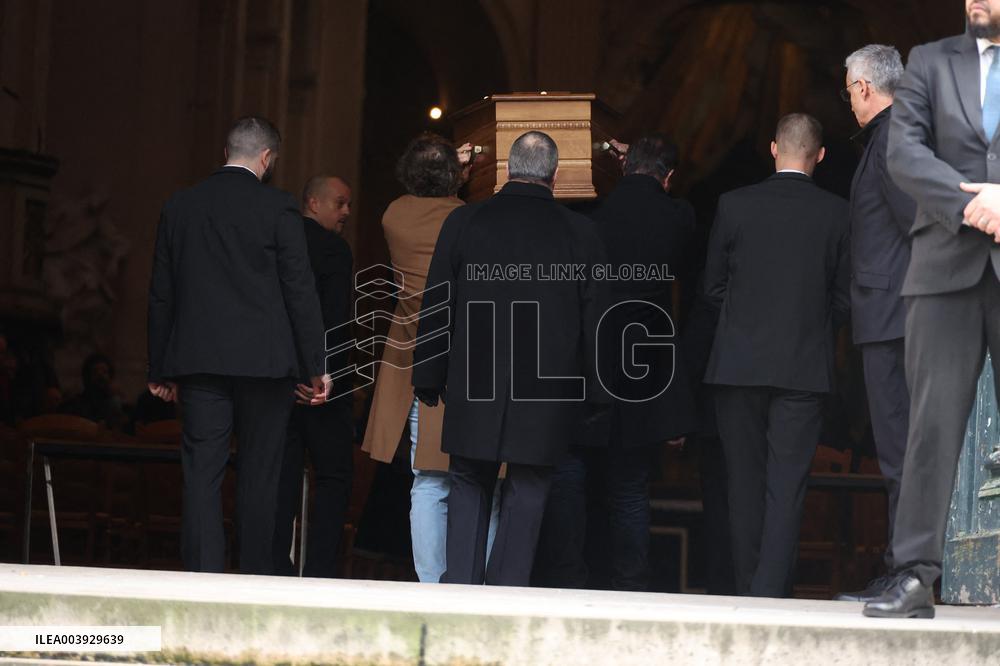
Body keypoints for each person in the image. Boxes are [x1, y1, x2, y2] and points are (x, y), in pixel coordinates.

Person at [412, 131, 610, 586]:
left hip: (473, 375)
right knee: (530, 485)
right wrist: (600, 394)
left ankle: (460, 590)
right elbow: (596, 320)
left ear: (505, 169)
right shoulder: (582, 233)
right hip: (546, 383)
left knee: (466, 479)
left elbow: (438, 301)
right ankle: (506, 595)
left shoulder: (465, 222)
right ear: (555, 176)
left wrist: (428, 373)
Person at [864, 0, 1000, 619]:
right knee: (930, 429)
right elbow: (904, 150)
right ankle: (915, 577)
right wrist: (970, 203)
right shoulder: (928, 62)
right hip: (944, 266)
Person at [147, 116, 327, 574]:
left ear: (226, 152)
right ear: (266, 158)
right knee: (260, 475)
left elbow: (162, 290)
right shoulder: (280, 208)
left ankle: (203, 581)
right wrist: (314, 366)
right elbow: (299, 289)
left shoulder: (181, 205)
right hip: (266, 365)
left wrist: (159, 368)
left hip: (200, 362)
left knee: (201, 475)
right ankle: (253, 581)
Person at [533, 133, 698, 591]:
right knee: (629, 485)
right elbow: (669, 208)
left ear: (624, 169)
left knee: (570, 474)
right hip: (641, 367)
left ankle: (567, 575)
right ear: (668, 177)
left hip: (585, 362)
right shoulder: (678, 216)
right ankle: (631, 582)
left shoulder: (586, 214)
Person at [704, 114, 850, 598]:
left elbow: (711, 289)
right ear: (820, 156)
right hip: (803, 368)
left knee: (743, 484)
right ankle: (769, 593)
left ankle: (749, 590)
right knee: (786, 488)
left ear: (773, 149)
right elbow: (845, 300)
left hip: (738, 365)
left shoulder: (734, 205)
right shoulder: (838, 213)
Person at [362, 135, 499, 583]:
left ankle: (431, 582)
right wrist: (464, 173)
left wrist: (449, 166)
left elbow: (425, 192)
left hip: (418, 361)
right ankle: (482, 580)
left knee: (427, 479)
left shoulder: (393, 216)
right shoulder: (469, 218)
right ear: (454, 178)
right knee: (486, 478)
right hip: (469, 359)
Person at [834, 45, 916, 602]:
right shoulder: (895, 135)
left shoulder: (892, 137)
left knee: (899, 451)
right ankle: (901, 566)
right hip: (891, 313)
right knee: (899, 449)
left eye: (848, 89)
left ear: (864, 87)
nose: (848, 99)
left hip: (894, 315)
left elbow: (917, 224)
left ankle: (906, 572)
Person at [273, 175, 355, 578]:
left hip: (280, 383)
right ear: (313, 202)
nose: (346, 213)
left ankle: (275, 567)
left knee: (282, 475)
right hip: (324, 385)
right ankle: (321, 571)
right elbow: (337, 319)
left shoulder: (277, 245)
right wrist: (326, 375)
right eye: (339, 203)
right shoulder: (334, 250)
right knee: (334, 477)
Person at [59, 352, 126, 429]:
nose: (101, 376)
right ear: (88, 376)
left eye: (105, 372)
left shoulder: (114, 403)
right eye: (95, 372)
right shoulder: (77, 404)